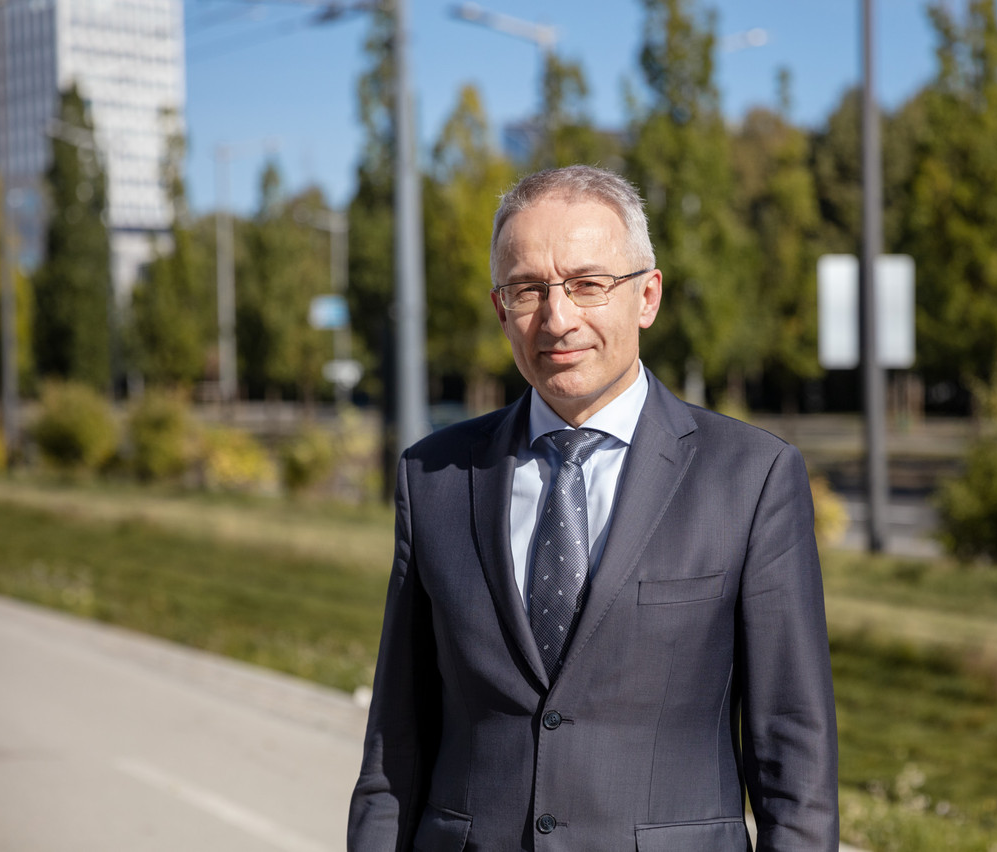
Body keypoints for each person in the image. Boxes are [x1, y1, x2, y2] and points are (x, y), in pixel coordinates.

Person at [348, 165, 838, 851]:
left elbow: (795, 757)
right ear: (500, 309)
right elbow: (395, 745)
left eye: (588, 284)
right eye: (528, 290)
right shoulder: (434, 476)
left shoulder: (750, 478)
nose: (558, 317)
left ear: (647, 296)